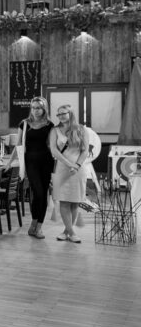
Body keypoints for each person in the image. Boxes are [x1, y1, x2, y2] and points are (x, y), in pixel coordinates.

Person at [4, 96, 54, 239]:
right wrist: (9, 162)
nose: (36, 110)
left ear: (44, 109)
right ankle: (33, 222)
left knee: (43, 194)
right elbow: (18, 145)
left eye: (38, 108)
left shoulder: (49, 125)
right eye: (33, 107)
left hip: (46, 162)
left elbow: (52, 145)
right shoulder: (24, 124)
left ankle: (38, 228)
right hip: (30, 163)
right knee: (37, 192)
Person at [50, 104, 88, 243]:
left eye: (63, 113)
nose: (60, 116)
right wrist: (69, 164)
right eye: (58, 114)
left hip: (78, 170)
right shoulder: (55, 130)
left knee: (75, 202)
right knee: (64, 201)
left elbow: (85, 150)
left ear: (70, 113)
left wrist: (76, 165)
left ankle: (66, 231)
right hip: (62, 168)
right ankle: (72, 233)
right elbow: (54, 151)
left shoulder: (81, 129)